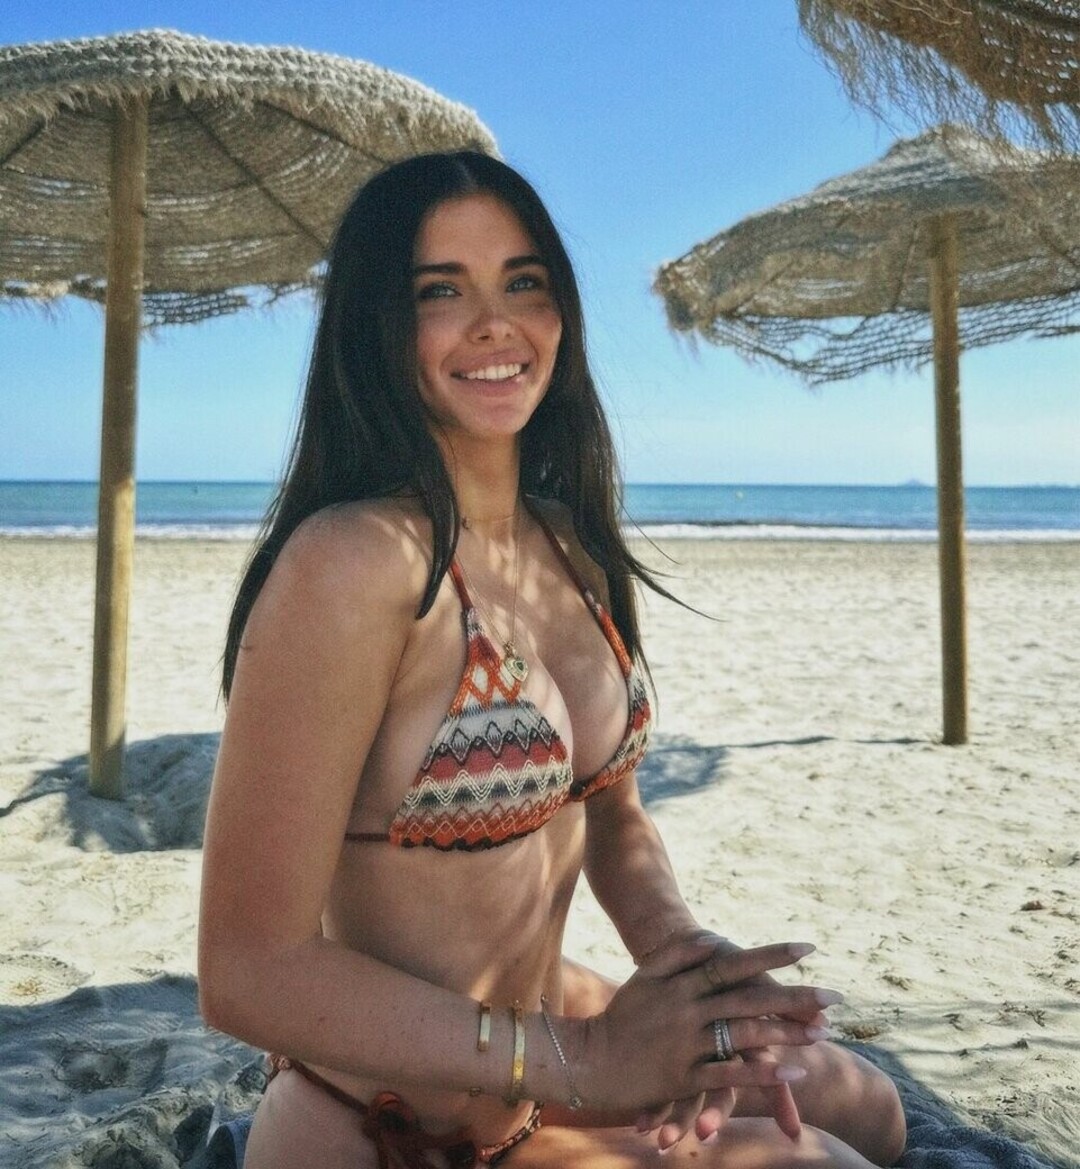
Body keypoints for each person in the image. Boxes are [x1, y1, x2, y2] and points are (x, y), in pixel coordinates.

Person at [198, 151, 906, 1169]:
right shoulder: (353, 564)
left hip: (541, 1057)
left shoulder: (569, 547)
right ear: (377, 325)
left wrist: (686, 964)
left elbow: (612, 815)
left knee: (866, 1105)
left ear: (562, 311)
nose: (496, 324)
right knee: (824, 1161)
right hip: (399, 1124)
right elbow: (246, 968)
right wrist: (588, 1058)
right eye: (441, 291)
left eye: (523, 281)